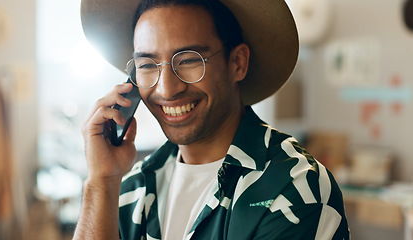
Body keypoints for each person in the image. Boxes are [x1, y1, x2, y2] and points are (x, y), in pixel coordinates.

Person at [74, 0, 350, 239]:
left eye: (189, 60)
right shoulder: (131, 188)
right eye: (147, 65)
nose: (166, 89)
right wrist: (101, 180)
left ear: (237, 63)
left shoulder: (293, 188)